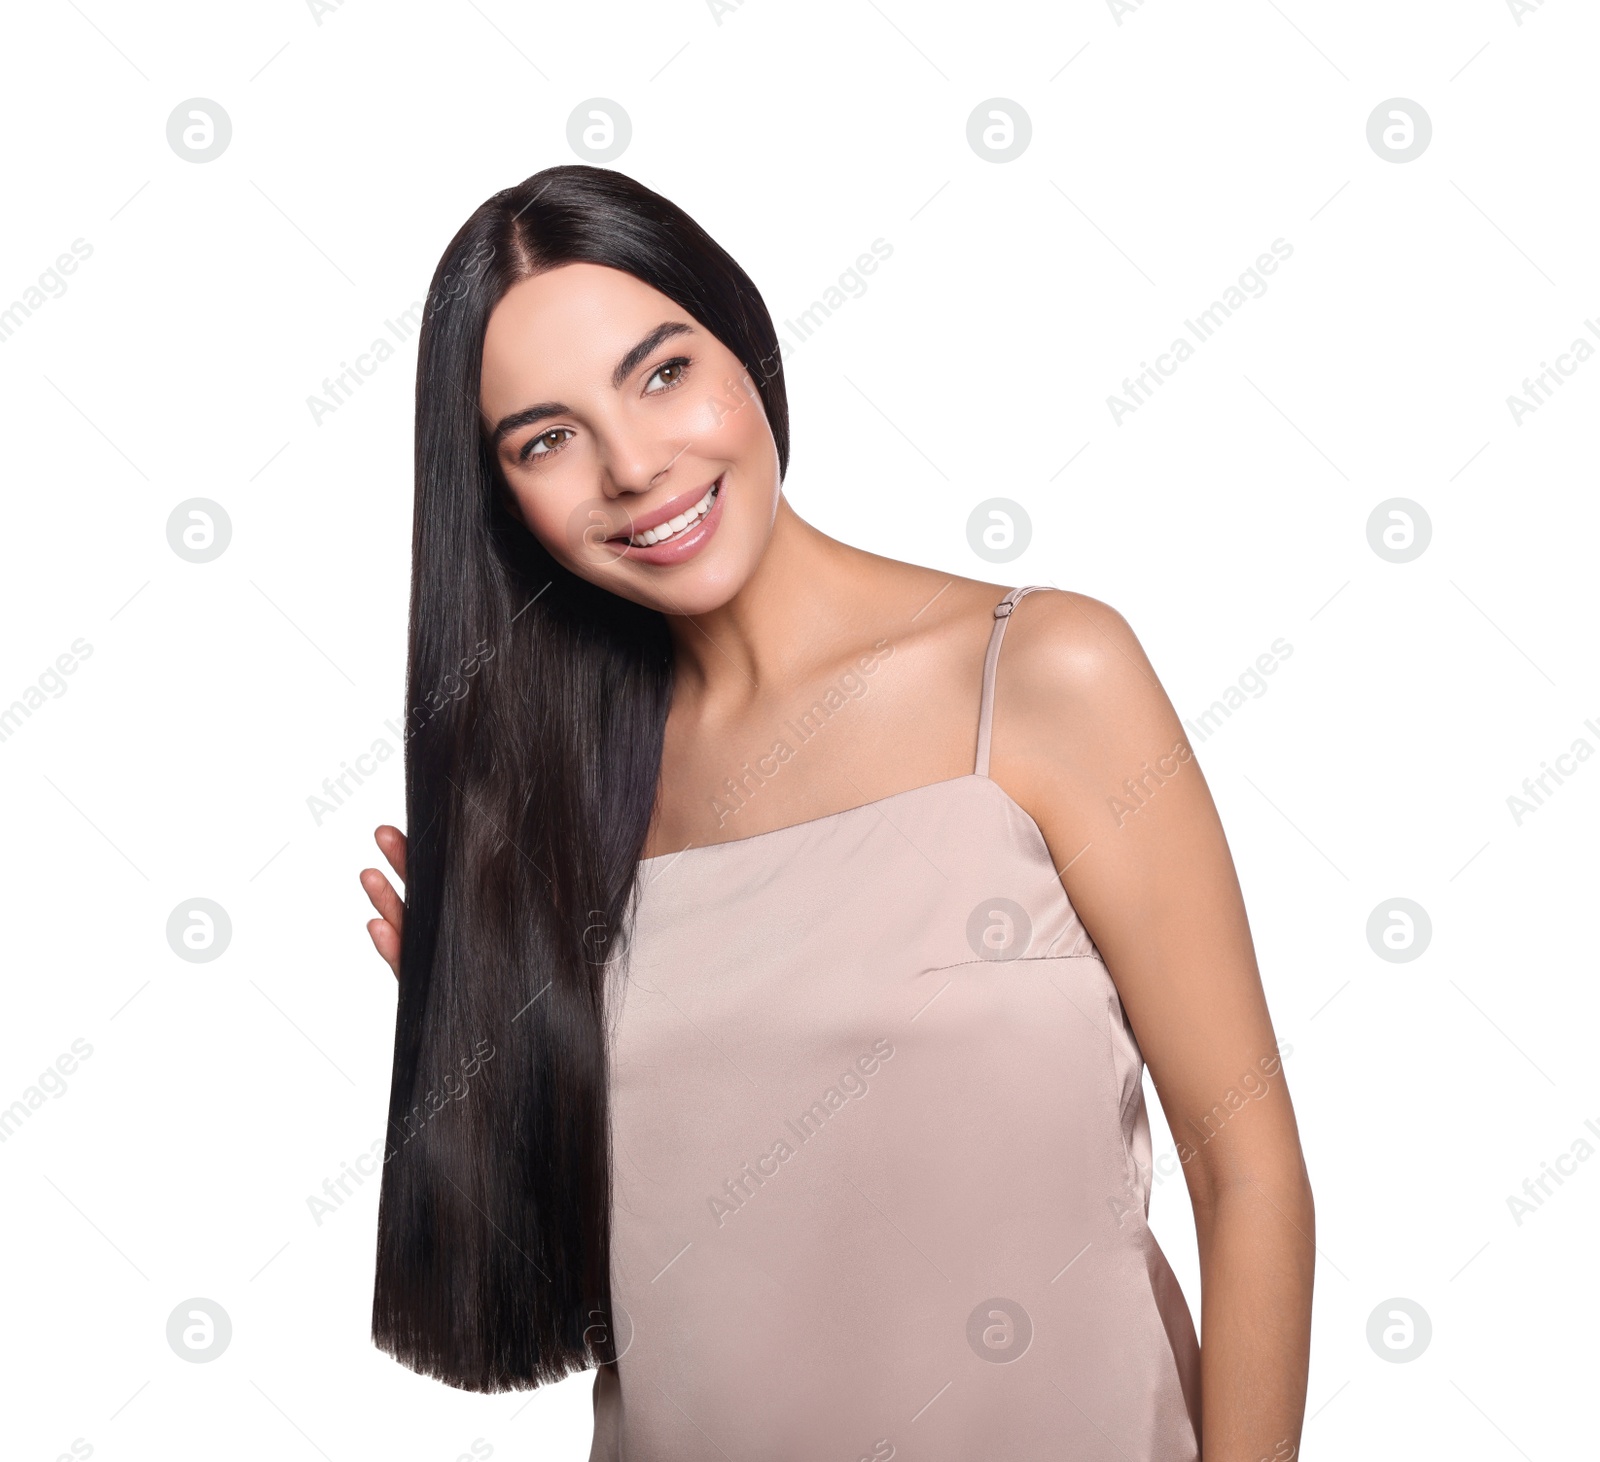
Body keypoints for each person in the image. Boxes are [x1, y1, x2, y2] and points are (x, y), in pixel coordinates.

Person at [358, 164, 1313, 1461]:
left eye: (660, 372)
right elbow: (665, 1284)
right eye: (546, 437)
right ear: (500, 498)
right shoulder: (556, 819)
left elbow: (1249, 1174)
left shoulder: (1038, 678)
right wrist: (488, 1040)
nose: (635, 465)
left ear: (744, 346)